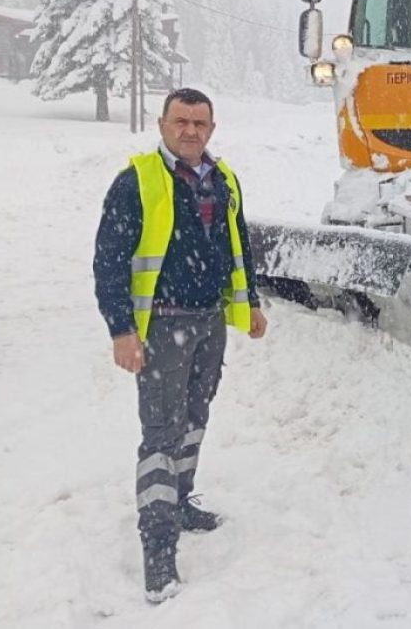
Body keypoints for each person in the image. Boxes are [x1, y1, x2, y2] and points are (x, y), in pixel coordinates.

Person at [94, 88, 267, 603]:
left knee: (195, 417)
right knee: (162, 432)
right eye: (181, 121)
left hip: (210, 321)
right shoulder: (137, 181)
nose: (190, 131)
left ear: (210, 129)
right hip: (162, 327)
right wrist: (122, 330)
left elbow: (239, 246)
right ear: (162, 123)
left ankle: (182, 500)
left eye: (200, 123)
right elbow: (109, 261)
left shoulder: (223, 179)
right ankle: (158, 545)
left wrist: (250, 302)